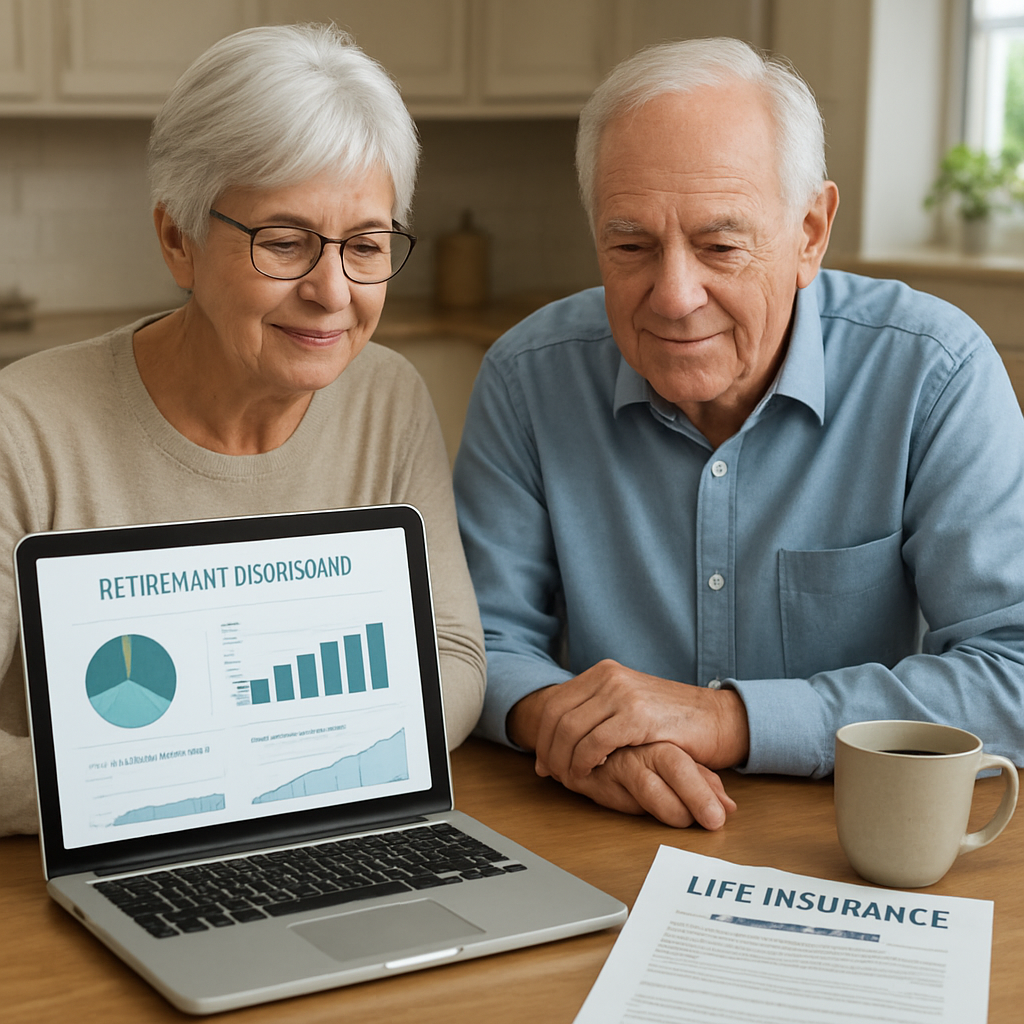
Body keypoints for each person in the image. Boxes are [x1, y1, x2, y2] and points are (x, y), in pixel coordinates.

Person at [454, 37, 1024, 830]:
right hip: (602, 828)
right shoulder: (526, 378)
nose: (676, 295)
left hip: (852, 846)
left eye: (721, 245)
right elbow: (477, 642)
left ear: (810, 233)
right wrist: (561, 720)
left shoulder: (935, 373)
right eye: (630, 246)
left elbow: (1014, 672)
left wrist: (725, 720)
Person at [0, 24, 485, 837]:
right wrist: (208, 789)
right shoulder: (26, 427)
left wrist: (264, 781)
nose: (333, 291)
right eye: (286, 243)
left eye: (365, 246)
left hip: (334, 837)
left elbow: (454, 657)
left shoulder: (386, 398)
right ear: (177, 239)